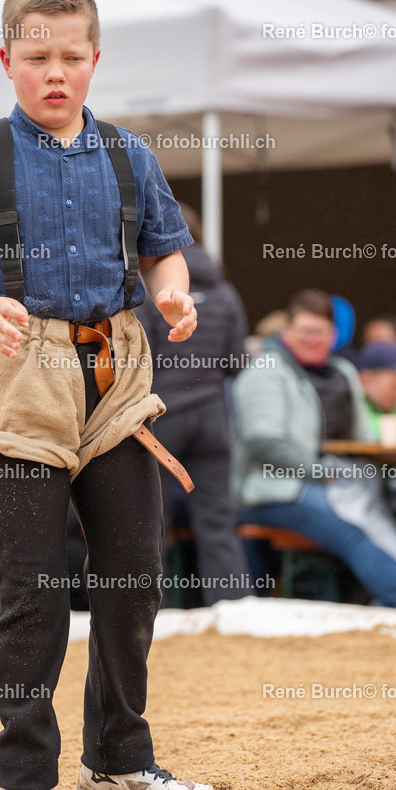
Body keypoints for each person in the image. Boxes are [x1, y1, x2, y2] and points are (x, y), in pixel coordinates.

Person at [0, 0, 216, 790]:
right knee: (31, 588)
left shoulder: (127, 153)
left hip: (114, 371)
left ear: (94, 59)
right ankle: (24, 784)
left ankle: (118, 763)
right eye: (36, 57)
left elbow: (164, 253)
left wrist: (174, 296)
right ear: (7, 60)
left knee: (133, 578)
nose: (55, 73)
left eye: (72, 57)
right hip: (17, 371)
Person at [231, 288, 396, 611]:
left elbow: (364, 435)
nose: (313, 339)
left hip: (329, 480)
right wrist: (320, 472)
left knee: (386, 505)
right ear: (287, 331)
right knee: (352, 523)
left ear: (333, 335)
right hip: (273, 489)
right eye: (305, 331)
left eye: (321, 332)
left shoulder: (341, 373)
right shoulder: (266, 372)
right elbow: (265, 441)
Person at [137, 203, 251, 605]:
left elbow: (140, 359)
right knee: (218, 520)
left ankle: (155, 611)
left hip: (163, 419)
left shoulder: (151, 293)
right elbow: (239, 362)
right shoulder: (225, 293)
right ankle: (233, 607)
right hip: (214, 419)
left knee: (154, 522)